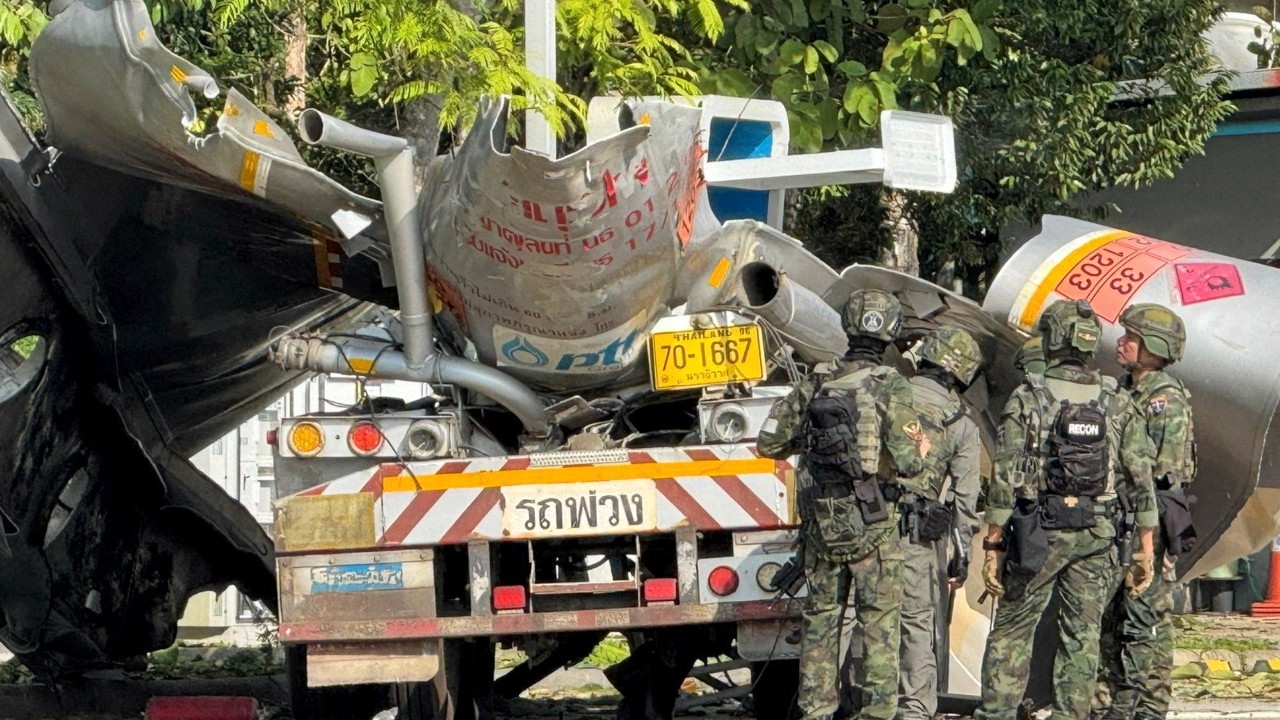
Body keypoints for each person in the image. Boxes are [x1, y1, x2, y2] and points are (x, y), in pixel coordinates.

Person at [975, 299, 1158, 720]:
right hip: (1098, 535)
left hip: (1040, 534)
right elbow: (1140, 476)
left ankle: (997, 714)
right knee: (1082, 636)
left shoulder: (1028, 398)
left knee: (1012, 630)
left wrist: (993, 544)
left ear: (1052, 339)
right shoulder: (1116, 399)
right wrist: (1145, 546)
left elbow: (1004, 477)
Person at [757, 288, 933, 720]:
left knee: (820, 624)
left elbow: (768, 443)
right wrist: (924, 444)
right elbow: (910, 462)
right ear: (890, 331)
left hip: (822, 526)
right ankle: (877, 714)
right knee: (880, 625)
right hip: (876, 526)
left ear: (848, 326)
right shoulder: (891, 385)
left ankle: (816, 712)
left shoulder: (815, 380)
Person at [1093, 303, 1197, 720]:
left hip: (1147, 521)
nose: (1121, 343)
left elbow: (1162, 474)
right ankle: (1114, 703)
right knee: (1114, 620)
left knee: (1146, 618)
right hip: (1121, 518)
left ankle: (1148, 708)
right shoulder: (1124, 390)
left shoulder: (1164, 400)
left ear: (1152, 348)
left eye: (1131, 338)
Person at [899, 326, 984, 720]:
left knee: (860, 614)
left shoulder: (888, 394)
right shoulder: (960, 421)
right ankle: (915, 709)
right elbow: (964, 501)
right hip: (917, 534)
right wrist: (961, 555)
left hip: (863, 526)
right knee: (917, 621)